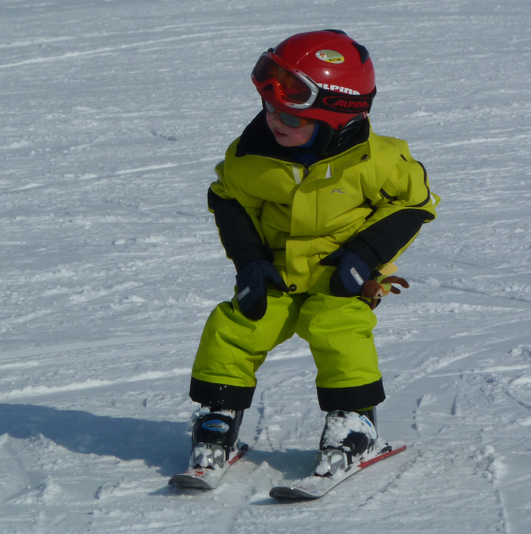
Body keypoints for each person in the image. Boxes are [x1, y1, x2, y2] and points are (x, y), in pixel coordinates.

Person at [187, 29, 439, 476]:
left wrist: (363, 256)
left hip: (341, 275)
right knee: (234, 327)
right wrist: (249, 262)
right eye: (269, 108)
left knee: (339, 330)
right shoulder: (251, 157)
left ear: (337, 117)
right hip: (277, 273)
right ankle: (218, 416)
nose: (275, 121)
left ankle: (354, 422)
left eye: (291, 116)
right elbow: (228, 201)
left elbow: (413, 204)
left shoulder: (377, 161)